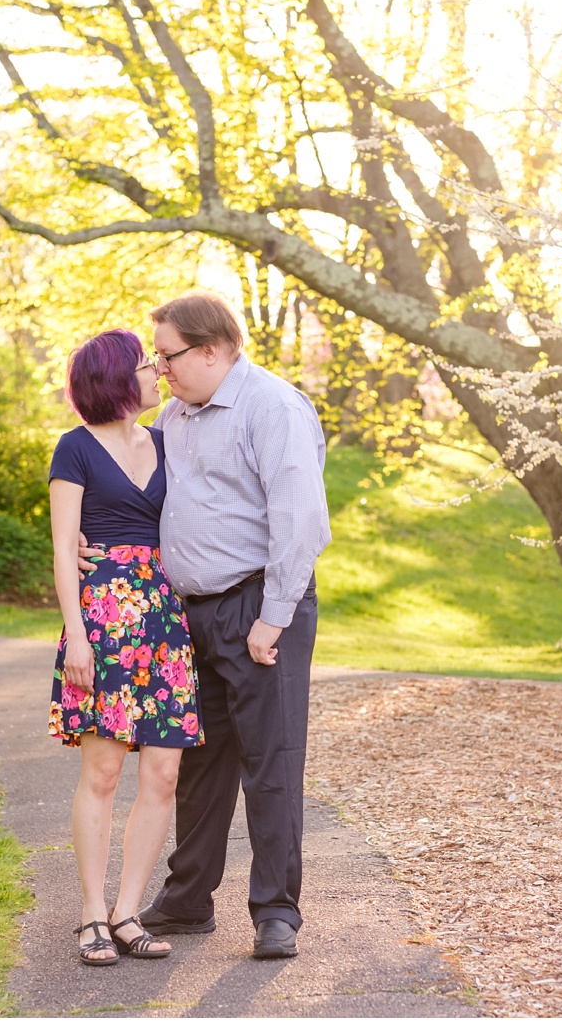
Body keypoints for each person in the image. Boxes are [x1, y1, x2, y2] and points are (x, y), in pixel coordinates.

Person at [128, 290, 330, 960]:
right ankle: (188, 901)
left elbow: (299, 519)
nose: (161, 370)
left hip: (259, 608)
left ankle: (277, 912)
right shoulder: (175, 417)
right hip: (195, 613)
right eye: (158, 359)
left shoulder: (271, 407)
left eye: (169, 356)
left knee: (270, 761)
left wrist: (272, 619)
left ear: (212, 348)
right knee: (200, 764)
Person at [48, 329, 203, 967]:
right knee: (105, 772)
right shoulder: (75, 449)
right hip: (103, 622)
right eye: (147, 365)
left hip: (163, 620)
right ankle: (90, 911)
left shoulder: (167, 442)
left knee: (162, 773)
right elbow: (63, 548)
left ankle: (127, 911)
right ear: (116, 377)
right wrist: (78, 638)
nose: (157, 374)